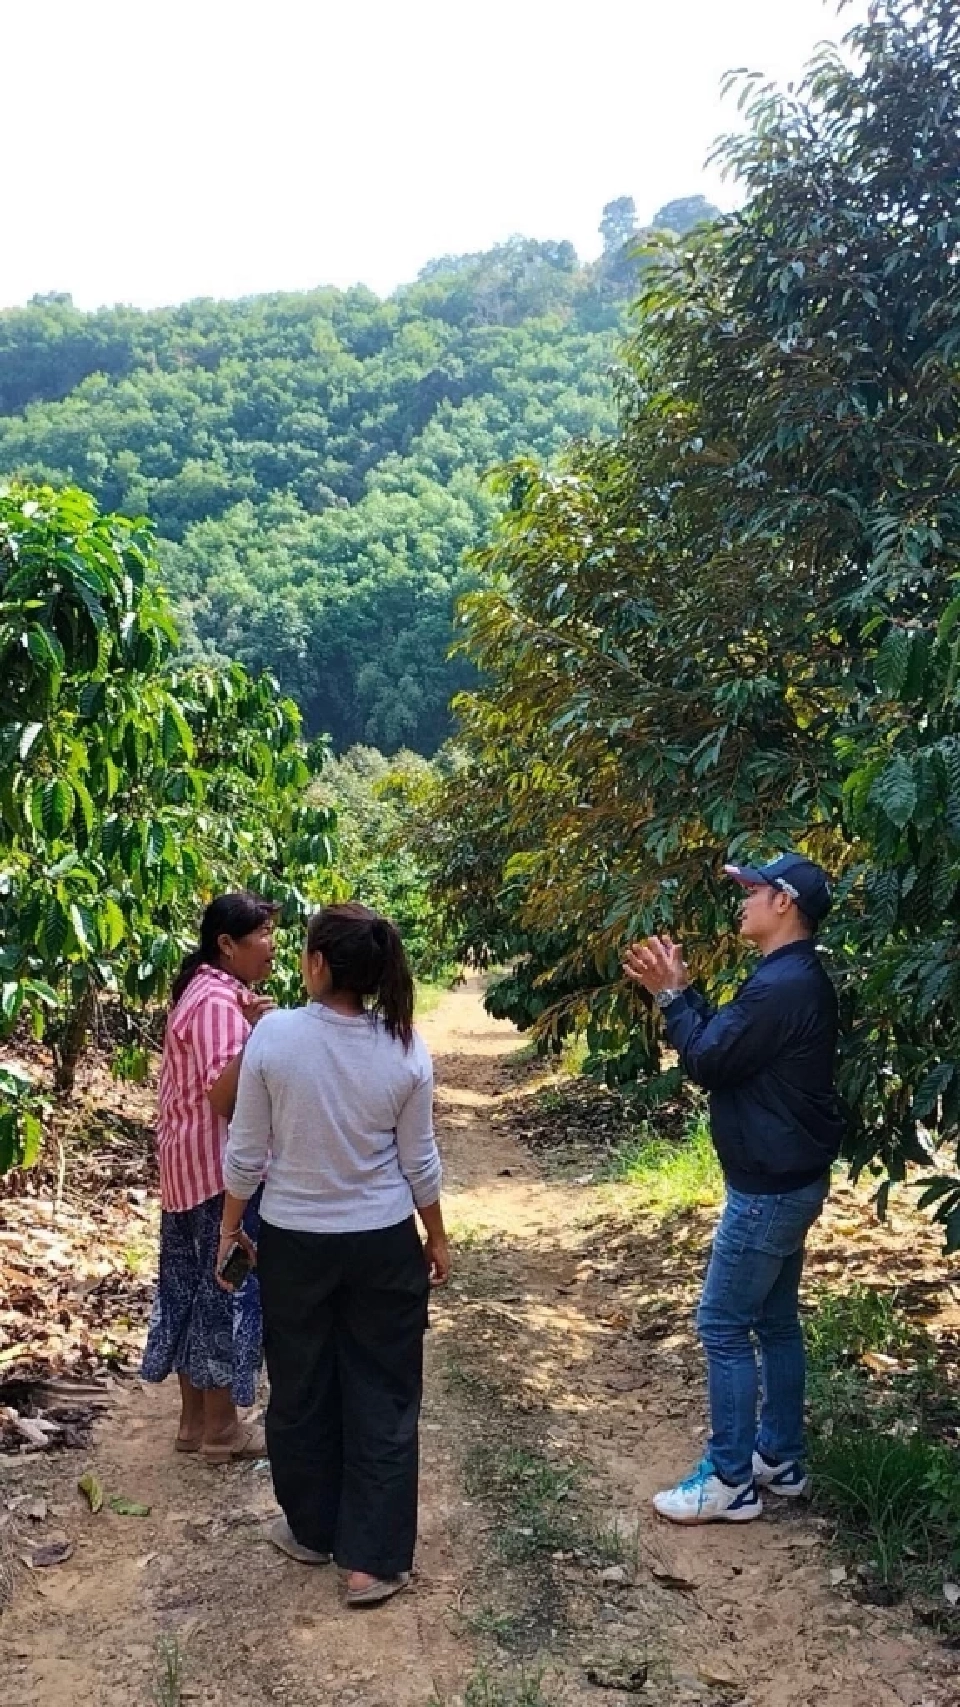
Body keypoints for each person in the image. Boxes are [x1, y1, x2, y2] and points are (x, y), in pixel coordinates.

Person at [219, 901, 449, 1607]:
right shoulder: (406, 1045)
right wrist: (435, 1235)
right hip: (382, 1241)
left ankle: (313, 1528)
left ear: (318, 963)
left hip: (294, 1241)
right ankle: (371, 1561)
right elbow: (421, 1161)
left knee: (300, 1385)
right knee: (383, 1393)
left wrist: (230, 1231)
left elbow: (246, 1152)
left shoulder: (276, 1036)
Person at [623, 854, 846, 1525]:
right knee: (773, 1319)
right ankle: (778, 1456)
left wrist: (670, 995)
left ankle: (729, 1479)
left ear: (784, 902)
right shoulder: (790, 978)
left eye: (751, 889)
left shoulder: (781, 986)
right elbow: (724, 1043)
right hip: (789, 1180)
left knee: (722, 1321)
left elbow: (708, 1059)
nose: (740, 900)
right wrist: (683, 995)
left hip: (768, 1190)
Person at [142, 891, 277, 1462]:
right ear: (227, 944)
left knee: (189, 1288)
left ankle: (193, 1424)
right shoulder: (220, 1004)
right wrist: (264, 1039)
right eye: (264, 934)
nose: (272, 947)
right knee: (227, 1287)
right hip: (219, 1176)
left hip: (184, 1172)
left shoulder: (202, 993)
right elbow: (226, 1096)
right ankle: (223, 1429)